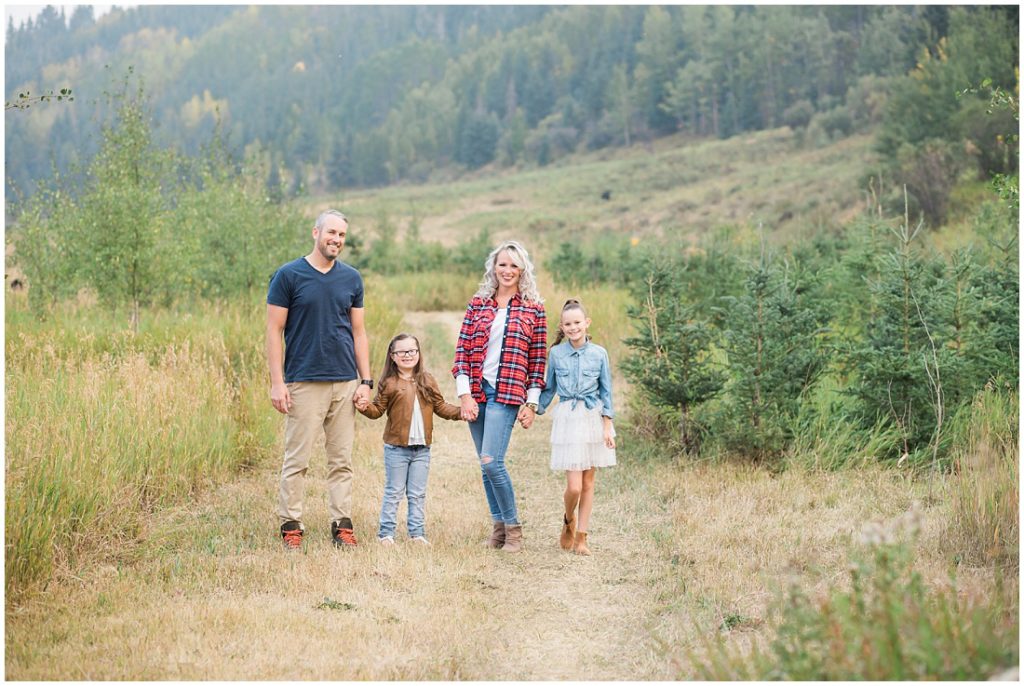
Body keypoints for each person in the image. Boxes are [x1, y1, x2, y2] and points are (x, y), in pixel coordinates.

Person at [266, 209, 374, 551]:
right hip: (303, 381)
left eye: (342, 235)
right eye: (331, 233)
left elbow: (358, 332)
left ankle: (341, 525)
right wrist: (277, 382)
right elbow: (273, 331)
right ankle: (291, 525)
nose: (336, 240)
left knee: (341, 460)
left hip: (344, 381)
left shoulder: (352, 279)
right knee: (297, 460)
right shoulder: (288, 276)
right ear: (315, 233)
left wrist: (365, 381)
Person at [452, 240, 547, 553]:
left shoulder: (534, 309)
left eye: (514, 265)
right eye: (502, 264)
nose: (507, 271)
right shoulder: (478, 304)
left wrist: (531, 403)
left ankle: (514, 529)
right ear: (494, 267)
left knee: (493, 462)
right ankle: (498, 529)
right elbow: (462, 352)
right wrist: (465, 395)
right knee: (484, 464)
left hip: (506, 393)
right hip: (478, 391)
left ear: (523, 270)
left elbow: (537, 362)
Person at [355, 333, 462, 546]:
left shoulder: (427, 379)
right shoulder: (389, 383)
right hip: (396, 449)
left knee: (417, 494)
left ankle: (417, 534)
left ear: (418, 353)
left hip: (422, 449)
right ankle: (386, 534)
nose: (408, 355)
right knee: (394, 492)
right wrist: (364, 407)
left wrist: (462, 412)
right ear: (393, 356)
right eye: (402, 351)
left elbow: (440, 407)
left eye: (412, 350)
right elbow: (377, 410)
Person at [536, 298, 616, 556]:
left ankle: (582, 537)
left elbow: (606, 392)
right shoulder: (557, 354)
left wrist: (607, 426)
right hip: (569, 419)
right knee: (574, 487)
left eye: (577, 323)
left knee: (589, 482)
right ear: (562, 326)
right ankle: (568, 520)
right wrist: (531, 409)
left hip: (593, 417)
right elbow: (549, 389)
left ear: (586, 323)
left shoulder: (599, 353)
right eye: (568, 324)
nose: (573, 328)